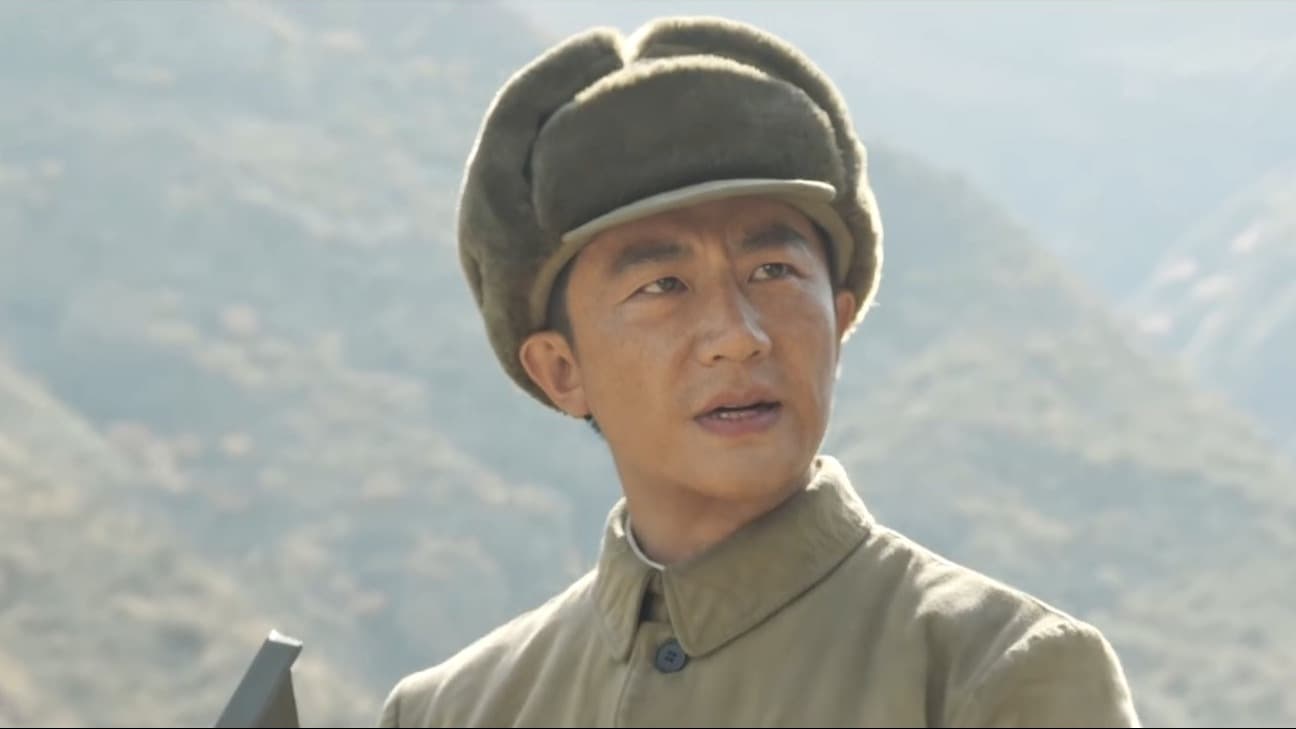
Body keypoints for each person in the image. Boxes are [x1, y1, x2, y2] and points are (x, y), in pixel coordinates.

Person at [379, 15, 1140, 728]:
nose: (738, 338)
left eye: (774, 270)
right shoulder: (456, 710)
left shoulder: (992, 674)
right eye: (662, 286)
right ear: (560, 369)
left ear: (840, 319)